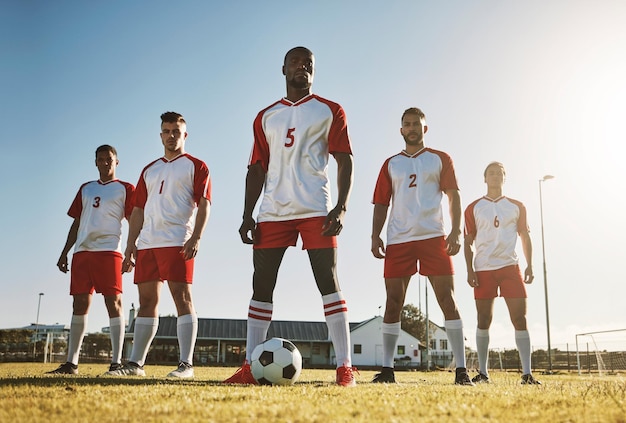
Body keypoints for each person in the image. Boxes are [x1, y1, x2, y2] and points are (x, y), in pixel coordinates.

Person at [223, 46, 357, 387]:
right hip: (273, 212)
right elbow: (256, 169)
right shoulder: (266, 116)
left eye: (309, 63)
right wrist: (246, 214)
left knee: (328, 282)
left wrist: (341, 206)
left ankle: (345, 368)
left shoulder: (330, 110)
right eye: (296, 62)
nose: (303, 67)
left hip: (315, 209)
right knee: (261, 286)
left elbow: (345, 159)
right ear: (283, 69)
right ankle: (252, 368)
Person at [370, 107, 473, 385]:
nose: (412, 128)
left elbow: (453, 196)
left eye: (417, 123)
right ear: (401, 130)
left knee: (447, 301)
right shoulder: (391, 163)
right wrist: (374, 235)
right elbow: (381, 203)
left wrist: (455, 230)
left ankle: (461, 370)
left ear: (425, 129)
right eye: (407, 124)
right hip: (399, 239)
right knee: (393, 303)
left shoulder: (441, 159)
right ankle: (388, 370)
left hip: (433, 237)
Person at [106, 111, 211, 378]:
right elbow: (138, 210)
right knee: (146, 302)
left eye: (176, 131)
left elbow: (204, 204)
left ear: (184, 135)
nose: (171, 136)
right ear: (160, 134)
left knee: (182, 299)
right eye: (166, 131)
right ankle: (135, 365)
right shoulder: (149, 170)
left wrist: (196, 237)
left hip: (177, 241)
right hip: (148, 243)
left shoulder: (196, 166)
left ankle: (186, 365)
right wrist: (131, 245)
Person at [47, 145, 135, 375]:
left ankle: (116, 362)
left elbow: (135, 221)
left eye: (110, 159)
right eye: (101, 159)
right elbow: (76, 222)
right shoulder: (85, 189)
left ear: (117, 162)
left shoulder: (125, 188)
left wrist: (131, 251)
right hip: (82, 252)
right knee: (79, 305)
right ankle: (71, 363)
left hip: (109, 252)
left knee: (113, 303)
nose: (105, 163)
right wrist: (64, 251)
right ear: (95, 162)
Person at [463, 161, 541, 385]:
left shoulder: (517, 206)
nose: (495, 176)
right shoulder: (474, 207)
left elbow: (525, 237)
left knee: (520, 319)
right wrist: (469, 269)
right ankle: (483, 373)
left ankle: (527, 374)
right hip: (484, 268)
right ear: (485, 178)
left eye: (499, 173)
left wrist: (530, 265)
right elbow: (468, 242)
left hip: (510, 267)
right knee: (483, 319)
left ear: (504, 178)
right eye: (491, 173)